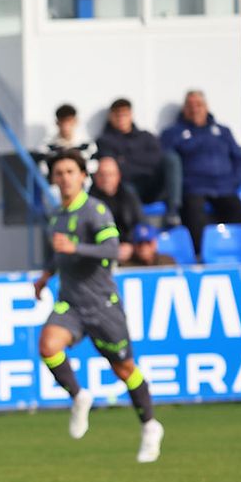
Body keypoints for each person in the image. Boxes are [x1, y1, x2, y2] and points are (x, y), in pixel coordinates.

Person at [32, 149, 164, 464]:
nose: (64, 178)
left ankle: (150, 426)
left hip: (103, 305)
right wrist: (46, 275)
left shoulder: (95, 210)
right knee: (48, 346)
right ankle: (79, 396)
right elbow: (60, 253)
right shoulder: (56, 215)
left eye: (70, 172)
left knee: (125, 370)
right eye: (59, 173)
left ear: (82, 176)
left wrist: (76, 247)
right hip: (71, 304)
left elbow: (114, 249)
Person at [161, 90, 241, 259]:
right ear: (184, 109)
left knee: (234, 206)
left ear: (206, 107)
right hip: (194, 187)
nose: (195, 109)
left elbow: (239, 159)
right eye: (190, 105)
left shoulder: (222, 131)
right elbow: (167, 163)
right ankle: (200, 253)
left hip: (224, 187)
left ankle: (235, 252)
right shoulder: (173, 133)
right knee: (192, 209)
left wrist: (233, 181)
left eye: (198, 105)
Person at [95, 98, 181, 224]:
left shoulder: (146, 136)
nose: (121, 118)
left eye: (124, 114)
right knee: (126, 185)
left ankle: (173, 212)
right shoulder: (105, 141)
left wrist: (126, 161)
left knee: (172, 158)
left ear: (131, 115)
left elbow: (157, 159)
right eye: (117, 115)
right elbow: (116, 170)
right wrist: (142, 162)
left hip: (153, 185)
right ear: (111, 117)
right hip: (129, 189)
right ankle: (140, 225)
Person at [89, 157, 143, 262]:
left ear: (118, 176)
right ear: (95, 177)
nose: (106, 179)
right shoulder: (89, 201)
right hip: (101, 253)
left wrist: (131, 245)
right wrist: (109, 249)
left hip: (129, 249)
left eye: (110, 174)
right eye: (102, 175)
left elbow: (141, 223)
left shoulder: (129, 196)